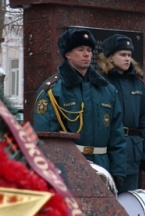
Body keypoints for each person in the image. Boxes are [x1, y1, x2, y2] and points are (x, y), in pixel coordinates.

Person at [33, 28, 127, 190]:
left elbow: (116, 134)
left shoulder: (106, 90)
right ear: (67, 54)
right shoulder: (52, 90)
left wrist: (119, 171)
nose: (87, 54)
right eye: (80, 50)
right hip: (70, 166)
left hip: (103, 167)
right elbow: (47, 139)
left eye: (89, 50)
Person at [96, 34, 145, 193]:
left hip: (132, 152)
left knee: (128, 202)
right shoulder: (101, 83)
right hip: (108, 152)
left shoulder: (137, 84)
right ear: (110, 58)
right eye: (122, 55)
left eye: (129, 55)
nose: (127, 59)